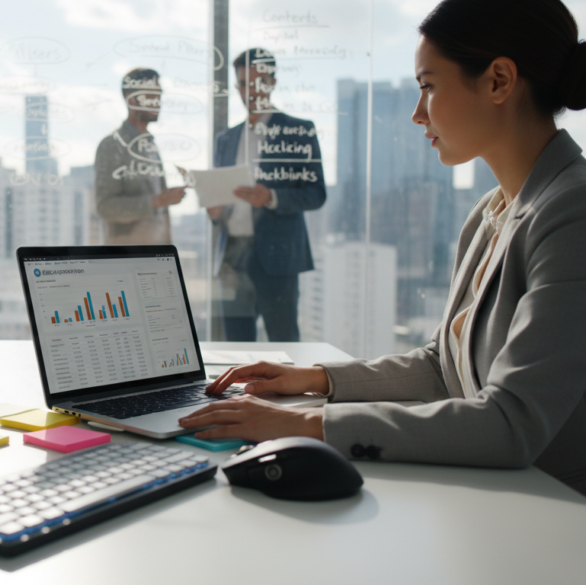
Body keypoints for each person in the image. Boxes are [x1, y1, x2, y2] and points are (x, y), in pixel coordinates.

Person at [180, 0, 586, 495]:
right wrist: (312, 379)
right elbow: (443, 366)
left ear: (499, 81)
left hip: (553, 516)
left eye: (428, 87)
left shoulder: (572, 212)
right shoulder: (490, 212)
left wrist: (305, 426)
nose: (417, 114)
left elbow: (510, 424)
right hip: (489, 498)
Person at [208, 49, 326, 342]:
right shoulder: (225, 139)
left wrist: (271, 196)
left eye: (258, 82)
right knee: (234, 351)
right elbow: (219, 193)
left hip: (278, 258)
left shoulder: (299, 131)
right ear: (237, 86)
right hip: (231, 258)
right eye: (244, 83)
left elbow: (316, 194)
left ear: (272, 82)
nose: (250, 91)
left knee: (284, 346)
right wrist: (214, 211)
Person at [95, 68, 186, 245]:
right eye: (151, 95)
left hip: (157, 255)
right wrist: (156, 201)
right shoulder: (112, 145)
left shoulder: (151, 145)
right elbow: (105, 207)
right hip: (127, 258)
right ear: (131, 99)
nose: (158, 102)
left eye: (159, 95)